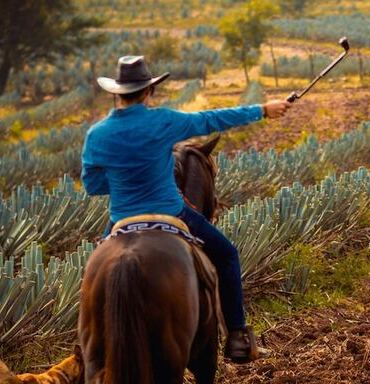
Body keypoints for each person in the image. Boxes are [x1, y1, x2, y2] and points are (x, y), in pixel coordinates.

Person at [81, 55, 292, 363]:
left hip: (122, 220)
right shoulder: (163, 120)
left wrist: (123, 177)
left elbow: (93, 185)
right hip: (172, 213)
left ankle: (88, 351)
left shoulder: (96, 135)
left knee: (92, 277)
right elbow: (212, 119)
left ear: (116, 94)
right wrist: (263, 110)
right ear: (148, 92)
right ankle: (236, 336)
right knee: (227, 255)